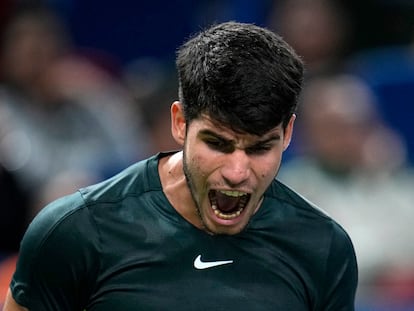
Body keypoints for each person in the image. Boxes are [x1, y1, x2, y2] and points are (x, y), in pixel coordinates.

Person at [3, 21, 358, 310]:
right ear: (179, 123)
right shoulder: (74, 231)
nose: (236, 171)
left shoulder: (323, 248)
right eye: (217, 143)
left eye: (260, 148)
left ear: (289, 133)